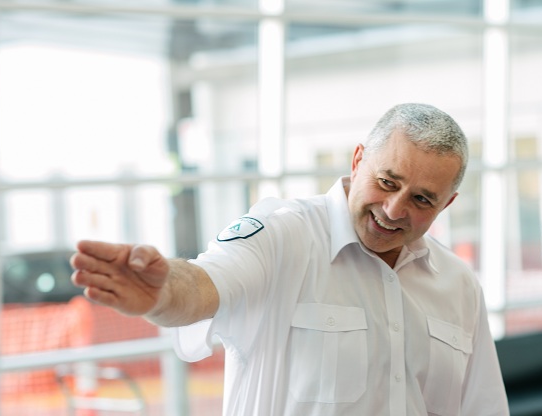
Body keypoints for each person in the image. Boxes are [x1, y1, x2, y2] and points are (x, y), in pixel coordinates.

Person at [70, 103, 510, 416]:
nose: (394, 209)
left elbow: (482, 406)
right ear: (358, 161)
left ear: (446, 205)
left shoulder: (458, 285)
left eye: (421, 199)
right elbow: (206, 284)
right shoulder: (281, 233)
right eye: (386, 181)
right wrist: (162, 292)